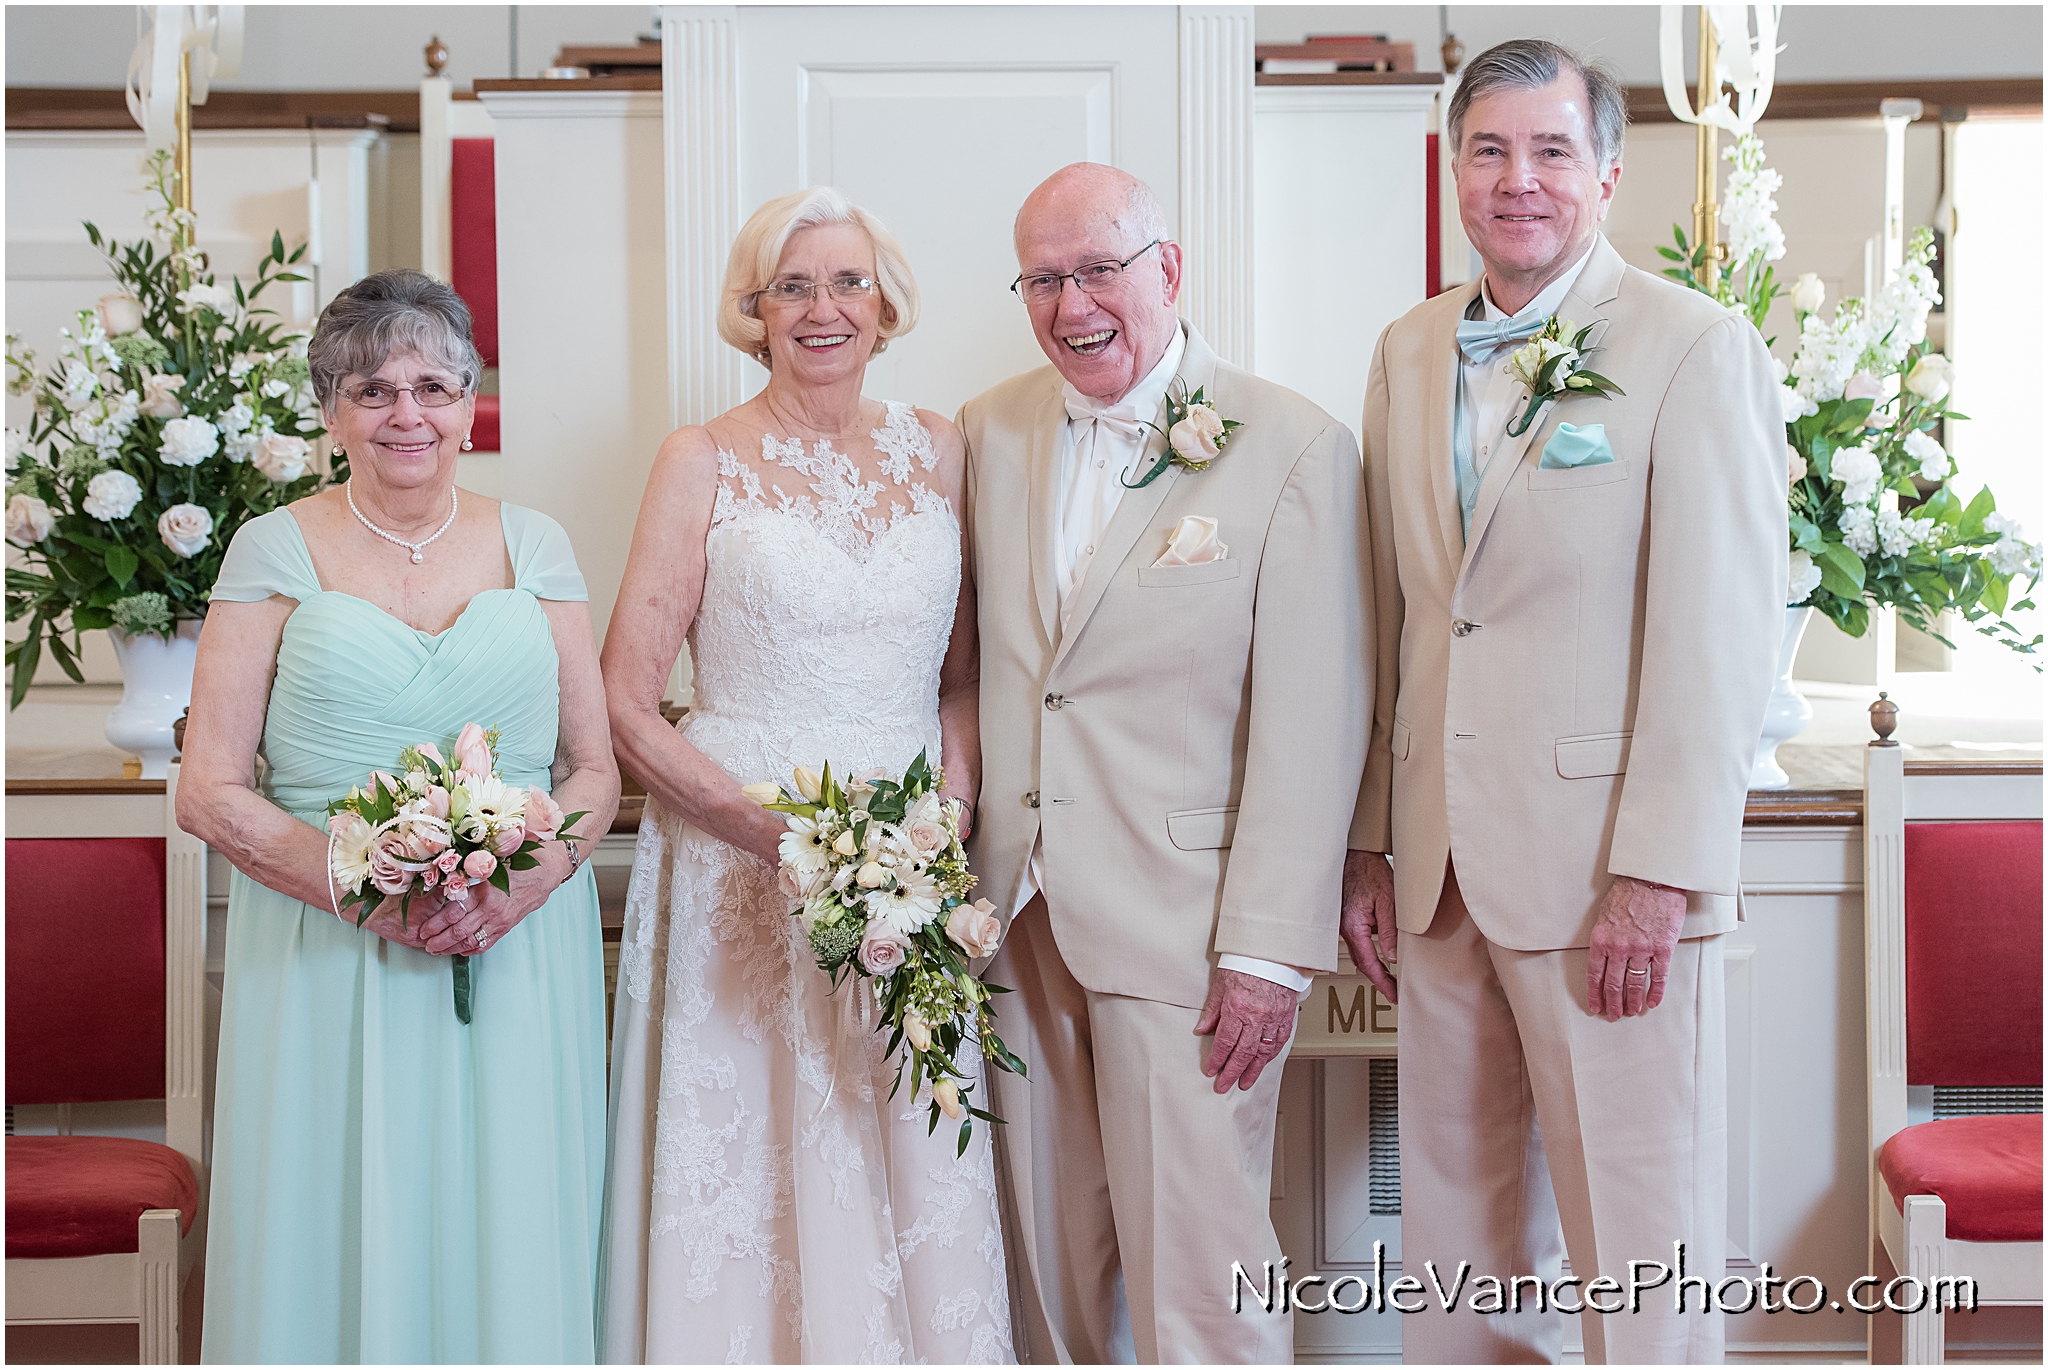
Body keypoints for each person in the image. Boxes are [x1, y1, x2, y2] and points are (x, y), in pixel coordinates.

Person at [1341, 39, 1785, 1365]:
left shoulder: (1695, 347)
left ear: (1605, 170)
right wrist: (1372, 836)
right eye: (1488, 150)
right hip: (1441, 874)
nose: (1516, 179)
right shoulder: (1409, 348)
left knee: (1638, 1247)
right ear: (1455, 172)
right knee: (1455, 1251)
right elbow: (1399, 614)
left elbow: (1723, 638)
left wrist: (1657, 871)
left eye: (1548, 151)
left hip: (1607, 878)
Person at [961, 163, 1371, 1363]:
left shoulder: (1293, 444)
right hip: (1015, 910)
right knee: (1047, 1258)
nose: (1070, 303)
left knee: (1202, 1269)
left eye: (1097, 269)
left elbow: (1317, 719)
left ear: (1168, 270)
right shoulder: (988, 429)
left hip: (1190, 930)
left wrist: (1264, 952)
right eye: (1042, 277)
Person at [596, 187, 1009, 1363]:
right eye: (792, 286)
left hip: (909, 861)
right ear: (755, 310)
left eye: (846, 282)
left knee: (896, 1116)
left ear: (885, 305)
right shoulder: (700, 458)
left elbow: (961, 676)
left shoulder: (942, 448)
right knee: (757, 1141)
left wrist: (948, 815)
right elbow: (627, 699)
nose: (821, 309)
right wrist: (768, 833)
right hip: (740, 857)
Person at [179, 269, 619, 1362]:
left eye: (431, 384)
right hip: (324, 946)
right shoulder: (271, 548)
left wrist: (525, 879)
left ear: (470, 402)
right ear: (329, 411)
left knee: (506, 1205)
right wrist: (364, 888)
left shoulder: (538, 545)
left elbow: (593, 769)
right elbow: (209, 786)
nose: (405, 413)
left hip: (514, 945)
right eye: (371, 389)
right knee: (330, 1205)